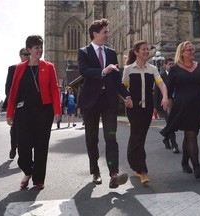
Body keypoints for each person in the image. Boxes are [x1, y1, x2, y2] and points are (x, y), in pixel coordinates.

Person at [77, 18, 132, 189]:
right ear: (95, 34)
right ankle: (95, 171)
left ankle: (114, 174)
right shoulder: (84, 52)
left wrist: (126, 96)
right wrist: (103, 71)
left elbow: (116, 80)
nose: (108, 34)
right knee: (92, 138)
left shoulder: (111, 53)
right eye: (105, 32)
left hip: (108, 101)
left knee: (111, 137)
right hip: (90, 102)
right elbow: (84, 71)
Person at [6, 35, 61, 190]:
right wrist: (10, 112)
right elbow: (13, 91)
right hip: (24, 112)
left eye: (41, 47)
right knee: (23, 146)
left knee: (41, 145)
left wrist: (57, 110)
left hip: (44, 110)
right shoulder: (20, 68)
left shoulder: (48, 66)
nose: (40, 50)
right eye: (36, 47)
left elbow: (54, 89)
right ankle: (27, 171)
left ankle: (38, 179)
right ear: (29, 50)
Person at [160, 41, 200, 179]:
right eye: (189, 50)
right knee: (191, 134)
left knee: (190, 134)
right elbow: (169, 89)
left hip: (198, 105)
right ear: (182, 52)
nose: (192, 52)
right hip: (181, 106)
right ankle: (197, 166)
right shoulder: (175, 69)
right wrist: (168, 104)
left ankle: (184, 162)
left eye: (193, 50)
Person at [122, 40, 169, 184]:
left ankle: (134, 162)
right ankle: (143, 171)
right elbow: (123, 87)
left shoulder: (152, 69)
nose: (147, 52)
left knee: (139, 137)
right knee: (137, 135)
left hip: (148, 108)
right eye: (143, 49)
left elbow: (161, 84)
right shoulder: (129, 69)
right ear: (136, 52)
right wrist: (127, 98)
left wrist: (165, 97)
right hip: (133, 108)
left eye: (147, 49)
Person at [3, 48, 30, 159]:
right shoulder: (13, 68)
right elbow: (8, 88)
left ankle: (25, 152)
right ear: (20, 55)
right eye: (25, 54)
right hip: (17, 103)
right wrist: (12, 103)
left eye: (29, 54)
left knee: (28, 129)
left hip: (30, 104)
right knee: (15, 129)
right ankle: (14, 147)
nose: (28, 56)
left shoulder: (33, 68)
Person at [153, 58, 180, 153]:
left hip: (175, 104)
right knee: (171, 124)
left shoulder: (177, 76)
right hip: (163, 105)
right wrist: (156, 107)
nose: (172, 65)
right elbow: (156, 93)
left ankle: (165, 137)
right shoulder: (161, 77)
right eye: (170, 64)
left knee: (173, 123)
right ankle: (174, 145)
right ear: (165, 65)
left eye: (173, 64)